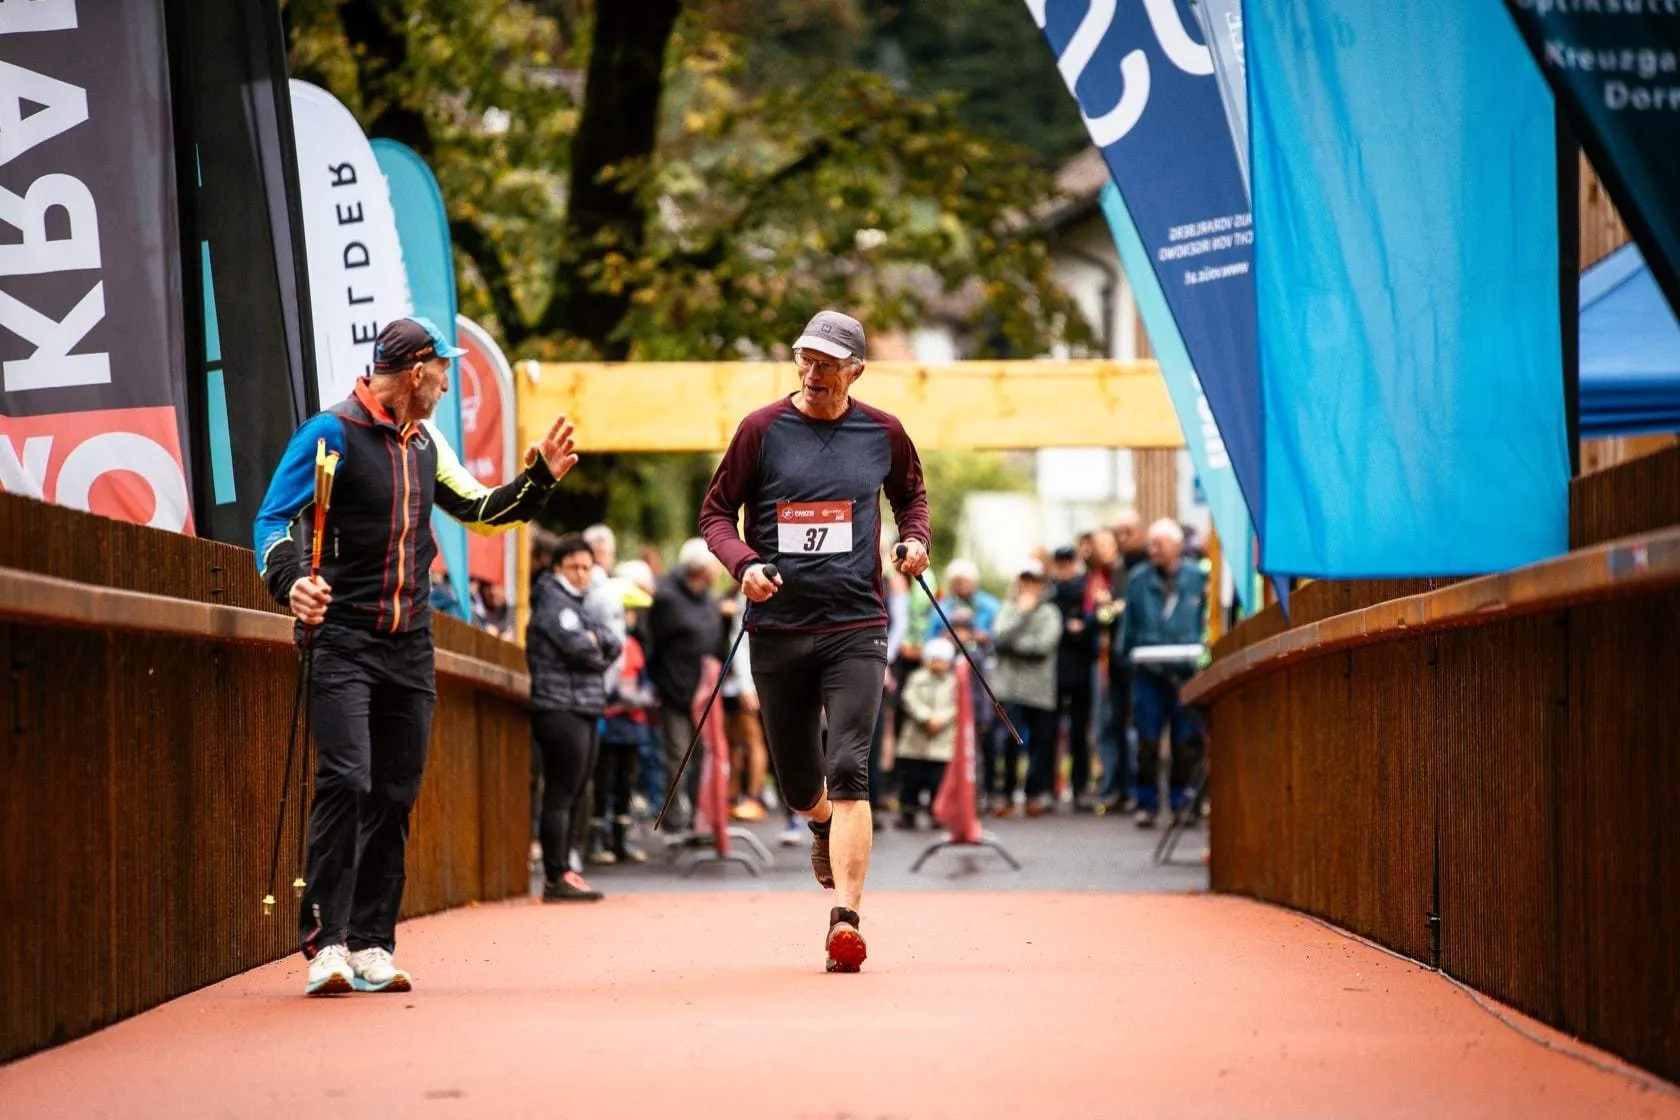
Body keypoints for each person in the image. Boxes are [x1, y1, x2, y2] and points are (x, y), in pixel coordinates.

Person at [252, 315, 577, 996]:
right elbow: (272, 519)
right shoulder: (329, 433)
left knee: (395, 794)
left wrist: (539, 480)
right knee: (347, 779)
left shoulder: (428, 443)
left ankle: (372, 943)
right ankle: (326, 944)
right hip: (341, 639)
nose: (447, 382)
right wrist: (291, 581)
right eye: (443, 369)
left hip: (410, 645)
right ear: (415, 371)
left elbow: (483, 511)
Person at [698, 308, 930, 973]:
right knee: (801, 783)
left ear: (855, 371)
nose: (814, 373)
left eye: (828, 364)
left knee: (850, 766)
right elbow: (716, 513)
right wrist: (744, 564)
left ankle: (845, 919)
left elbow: (911, 498)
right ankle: (821, 822)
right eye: (806, 360)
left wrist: (914, 541)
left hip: (857, 625)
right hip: (780, 628)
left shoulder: (883, 432)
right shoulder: (761, 430)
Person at [527, 536, 622, 900]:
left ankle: (565, 868)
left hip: (584, 705)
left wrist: (595, 642)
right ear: (557, 568)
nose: (582, 574)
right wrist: (594, 643)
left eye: (587, 567)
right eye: (574, 567)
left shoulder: (577, 604)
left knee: (576, 792)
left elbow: (612, 643)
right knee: (561, 793)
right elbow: (581, 649)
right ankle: (556, 875)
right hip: (560, 706)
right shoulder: (553, 601)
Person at [1119, 519, 1209, 828]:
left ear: (1177, 546)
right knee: (1146, 740)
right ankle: (1146, 803)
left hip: (1186, 670)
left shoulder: (1197, 577)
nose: (1153, 549)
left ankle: (1183, 802)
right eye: (1151, 543)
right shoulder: (1138, 579)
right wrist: (1125, 655)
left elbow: (1206, 617)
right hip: (1149, 669)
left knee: (1186, 740)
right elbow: (1128, 623)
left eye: (1160, 543)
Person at [647, 538, 724, 831]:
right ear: (702, 570)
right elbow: (653, 643)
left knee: (703, 756)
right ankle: (672, 821)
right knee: (677, 757)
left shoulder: (708, 599)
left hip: (703, 693)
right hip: (674, 691)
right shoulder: (666, 596)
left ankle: (697, 819)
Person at [990, 560, 1062, 818]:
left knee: (1040, 745)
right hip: (1009, 688)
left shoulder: (1051, 612)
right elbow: (999, 636)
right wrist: (1022, 614)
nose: (1030, 586)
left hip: (1040, 691)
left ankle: (1035, 794)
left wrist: (1014, 645)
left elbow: (1044, 645)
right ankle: (1006, 793)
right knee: (1008, 743)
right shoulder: (1009, 608)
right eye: (1025, 580)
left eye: (1035, 581)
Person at [895, 637, 958, 830]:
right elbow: (909, 698)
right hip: (916, 740)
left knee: (938, 781)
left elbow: (957, 705)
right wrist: (925, 717)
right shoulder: (917, 678)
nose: (938, 663)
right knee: (911, 780)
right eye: (934, 659)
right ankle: (908, 812)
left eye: (942, 660)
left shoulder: (954, 682)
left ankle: (937, 813)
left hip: (942, 742)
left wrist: (941, 719)